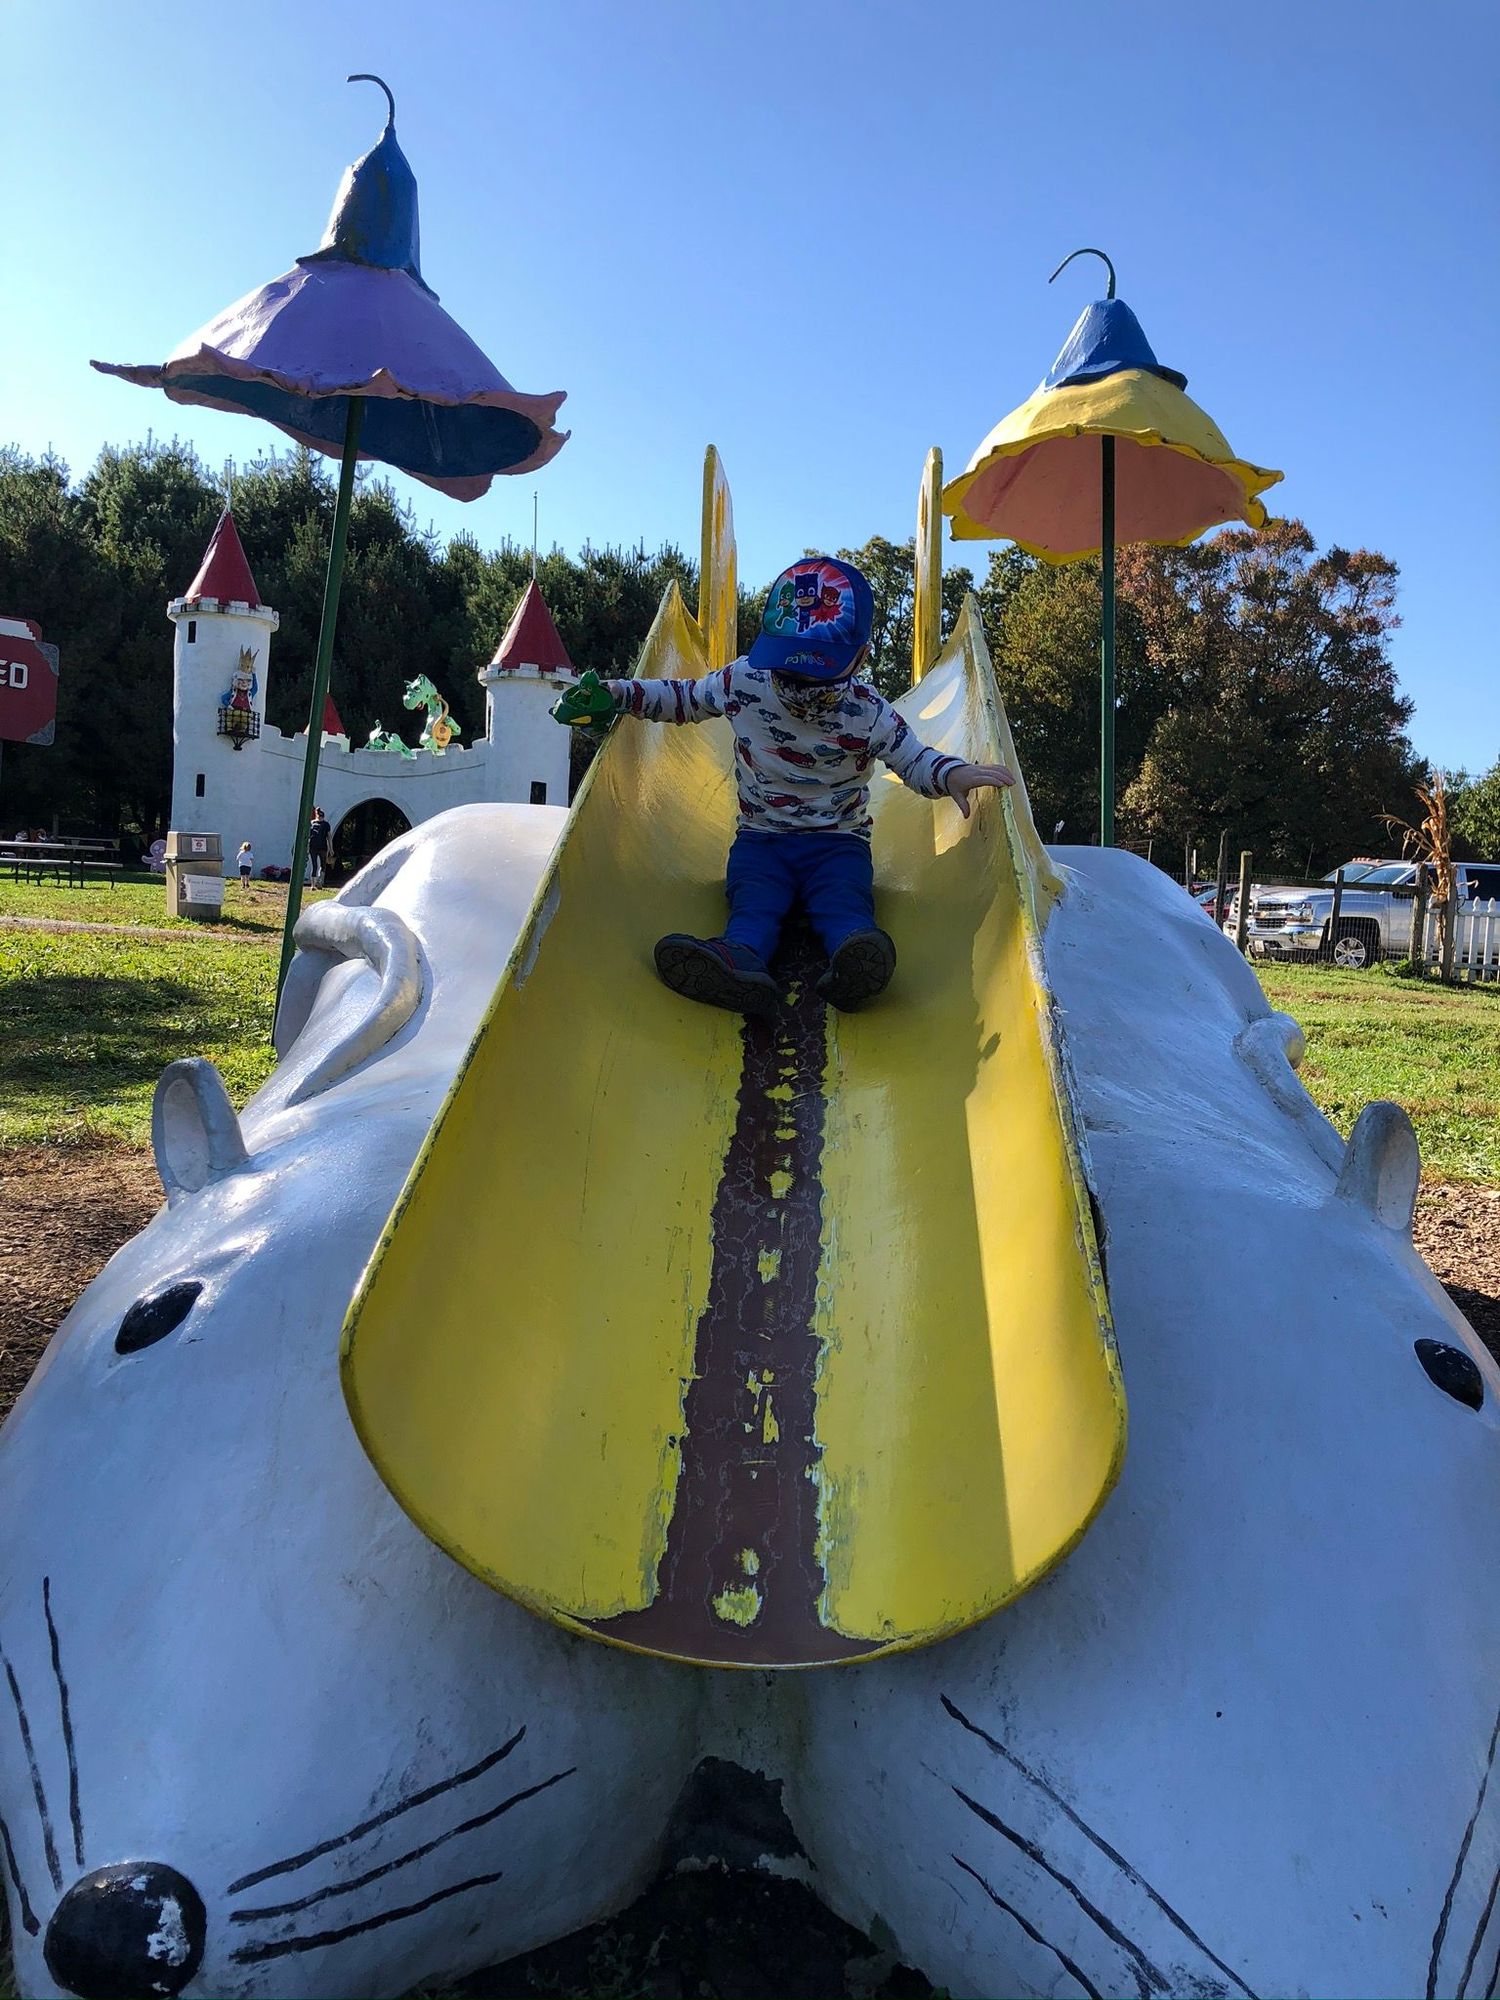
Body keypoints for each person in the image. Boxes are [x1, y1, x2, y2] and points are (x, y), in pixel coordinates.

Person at [551, 555, 1014, 1016]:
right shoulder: (744, 680)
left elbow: (912, 758)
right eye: (788, 673)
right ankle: (740, 958)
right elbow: (682, 699)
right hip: (762, 840)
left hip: (838, 843)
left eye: (817, 676)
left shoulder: (868, 712)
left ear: (861, 657)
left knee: (843, 900)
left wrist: (951, 773)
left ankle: (854, 958)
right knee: (754, 901)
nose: (800, 687)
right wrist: (619, 693)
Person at [307, 808, 331, 887]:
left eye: (321, 816)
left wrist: (331, 848)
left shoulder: (326, 824)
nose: (320, 818)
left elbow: (329, 837)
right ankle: (313, 884)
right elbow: (308, 836)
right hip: (313, 847)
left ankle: (320, 882)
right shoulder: (312, 823)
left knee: (323, 865)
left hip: (323, 847)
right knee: (314, 865)